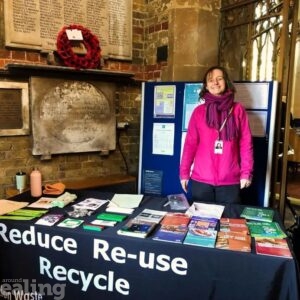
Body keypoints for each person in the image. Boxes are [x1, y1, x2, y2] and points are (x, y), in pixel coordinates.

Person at [179, 66, 253, 204]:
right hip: (201, 181)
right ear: (206, 85)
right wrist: (184, 173)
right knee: (202, 223)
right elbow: (190, 144)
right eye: (211, 80)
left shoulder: (237, 110)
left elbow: (245, 143)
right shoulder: (198, 112)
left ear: (226, 82)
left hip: (230, 181)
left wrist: (246, 173)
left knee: (228, 222)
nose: (215, 83)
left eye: (219, 79)